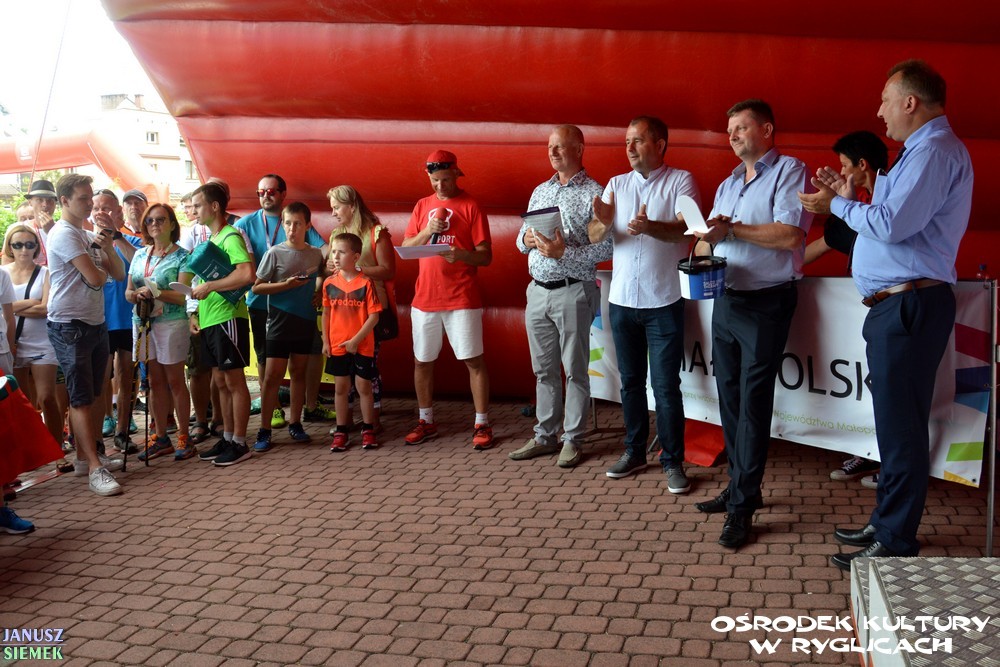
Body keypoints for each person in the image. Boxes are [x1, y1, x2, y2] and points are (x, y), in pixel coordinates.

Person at [798, 60, 973, 569]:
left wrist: (837, 207)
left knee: (902, 428)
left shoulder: (933, 151)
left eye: (885, 100)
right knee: (896, 425)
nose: (880, 112)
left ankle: (896, 538)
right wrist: (847, 197)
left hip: (908, 303)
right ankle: (887, 521)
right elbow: (886, 221)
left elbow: (892, 225)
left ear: (910, 102)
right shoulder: (918, 151)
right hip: (898, 304)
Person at [692, 99, 812, 549]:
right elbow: (711, 241)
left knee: (754, 403)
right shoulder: (727, 184)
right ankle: (742, 486)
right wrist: (701, 245)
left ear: (766, 129)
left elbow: (790, 235)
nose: (733, 136)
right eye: (730, 130)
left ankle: (742, 507)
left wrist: (731, 230)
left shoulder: (789, 171)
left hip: (767, 301)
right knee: (730, 400)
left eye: (741, 128)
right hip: (726, 298)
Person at [586, 116, 698, 490]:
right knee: (630, 384)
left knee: (665, 388)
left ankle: (672, 460)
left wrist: (650, 227)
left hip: (663, 300)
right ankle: (634, 453)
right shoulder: (616, 184)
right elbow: (595, 234)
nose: (630, 148)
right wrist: (603, 222)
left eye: (637, 140)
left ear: (660, 144)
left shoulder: (681, 181)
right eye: (627, 142)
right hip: (621, 301)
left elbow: (687, 231)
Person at [509, 125, 610, 469]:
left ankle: (573, 439)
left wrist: (563, 253)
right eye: (550, 147)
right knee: (543, 370)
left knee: (575, 370)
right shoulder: (541, 190)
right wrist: (527, 240)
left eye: (560, 147)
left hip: (573, 290)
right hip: (537, 290)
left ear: (579, 149)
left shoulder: (595, 193)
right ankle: (544, 436)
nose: (552, 152)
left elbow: (608, 247)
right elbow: (520, 239)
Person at [802, 131, 889, 486]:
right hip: (867, 307)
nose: (839, 172)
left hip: (897, 306)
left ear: (862, 165)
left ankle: (890, 465)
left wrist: (838, 203)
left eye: (843, 165)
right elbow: (827, 242)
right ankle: (868, 452)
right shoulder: (853, 201)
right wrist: (783, 267)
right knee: (871, 385)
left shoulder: (889, 200)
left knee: (892, 393)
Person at [401, 150, 494, 449]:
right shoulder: (422, 205)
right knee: (422, 361)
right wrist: (428, 230)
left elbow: (486, 256)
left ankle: (482, 423)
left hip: (462, 297)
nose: (440, 186)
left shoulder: (471, 205)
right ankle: (426, 420)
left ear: (456, 174)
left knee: (473, 360)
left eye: (445, 179)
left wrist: (462, 255)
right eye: (434, 180)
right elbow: (406, 246)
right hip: (424, 298)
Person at [46, 174, 126, 496]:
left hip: (94, 321)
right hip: (70, 324)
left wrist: (108, 246)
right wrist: (102, 264)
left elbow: (119, 273)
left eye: (90, 197)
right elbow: (95, 278)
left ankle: (86, 458)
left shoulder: (88, 234)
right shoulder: (64, 234)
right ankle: (94, 468)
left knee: (92, 396)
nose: (90, 204)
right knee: (80, 398)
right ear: (64, 200)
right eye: (83, 198)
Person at [235, 174, 325, 430]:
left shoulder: (304, 231)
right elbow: (247, 272)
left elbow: (323, 255)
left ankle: (303, 414)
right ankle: (272, 412)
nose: (266, 195)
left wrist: (323, 282)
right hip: (262, 306)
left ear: (283, 193)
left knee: (300, 365)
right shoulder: (246, 223)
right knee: (267, 363)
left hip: (300, 312)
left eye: (271, 191)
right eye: (261, 191)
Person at [189, 182, 255, 467]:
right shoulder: (213, 239)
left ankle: (240, 442)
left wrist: (211, 286)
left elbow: (247, 274)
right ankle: (228, 437)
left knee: (234, 381)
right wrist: (195, 313)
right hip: (211, 318)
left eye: (198, 205)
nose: (193, 211)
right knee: (220, 381)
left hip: (229, 317)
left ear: (214, 206)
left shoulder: (230, 236)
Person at [250, 202, 325, 452]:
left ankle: (296, 423)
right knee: (273, 375)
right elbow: (257, 287)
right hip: (279, 321)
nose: (292, 229)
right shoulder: (274, 253)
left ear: (307, 225)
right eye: (288, 223)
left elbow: (322, 274)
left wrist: (318, 292)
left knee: (299, 373)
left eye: (298, 224)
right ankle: (264, 429)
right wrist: (286, 285)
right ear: (283, 224)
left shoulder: (315, 254)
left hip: (304, 320)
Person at [125, 203, 196, 461]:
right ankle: (161, 436)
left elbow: (183, 295)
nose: (154, 224)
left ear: (172, 224)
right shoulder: (139, 255)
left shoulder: (183, 256)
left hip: (171, 322)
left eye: (160, 219)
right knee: (154, 381)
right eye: (150, 220)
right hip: (143, 322)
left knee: (175, 380)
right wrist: (136, 294)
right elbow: (128, 292)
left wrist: (155, 291)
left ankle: (184, 436)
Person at [2, 223, 72, 473]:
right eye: (18, 244)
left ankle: (57, 450)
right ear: (9, 247)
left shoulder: (45, 273)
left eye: (29, 244)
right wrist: (29, 303)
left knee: (46, 397)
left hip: (42, 342)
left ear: (36, 247)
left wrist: (12, 307)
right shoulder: (3, 273)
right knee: (21, 403)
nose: (24, 249)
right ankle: (28, 454)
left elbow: (46, 308)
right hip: (12, 343)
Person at [327, 184, 396, 430]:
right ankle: (346, 420)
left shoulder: (376, 232)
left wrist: (357, 269)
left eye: (337, 207)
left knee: (368, 368)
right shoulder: (337, 234)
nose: (333, 213)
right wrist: (328, 268)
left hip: (370, 309)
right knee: (344, 371)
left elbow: (388, 270)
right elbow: (331, 268)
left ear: (352, 206)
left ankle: (372, 420)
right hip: (342, 310)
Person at [92, 189, 141, 452]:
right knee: (100, 378)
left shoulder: (130, 240)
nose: (101, 213)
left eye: (107, 208)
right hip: (99, 319)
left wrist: (116, 236)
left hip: (128, 318)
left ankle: (123, 430)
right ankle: (100, 432)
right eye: (96, 208)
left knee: (126, 376)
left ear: (119, 212)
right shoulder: (85, 241)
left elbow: (140, 265)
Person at [322, 233, 381, 451]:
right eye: (333, 251)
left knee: (363, 386)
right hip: (337, 345)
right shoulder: (329, 283)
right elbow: (326, 313)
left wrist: (356, 340)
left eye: (341, 252)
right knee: (341, 388)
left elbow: (374, 317)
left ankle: (368, 429)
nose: (335, 256)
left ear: (355, 257)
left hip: (362, 345)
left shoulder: (366, 282)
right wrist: (326, 340)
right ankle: (341, 431)